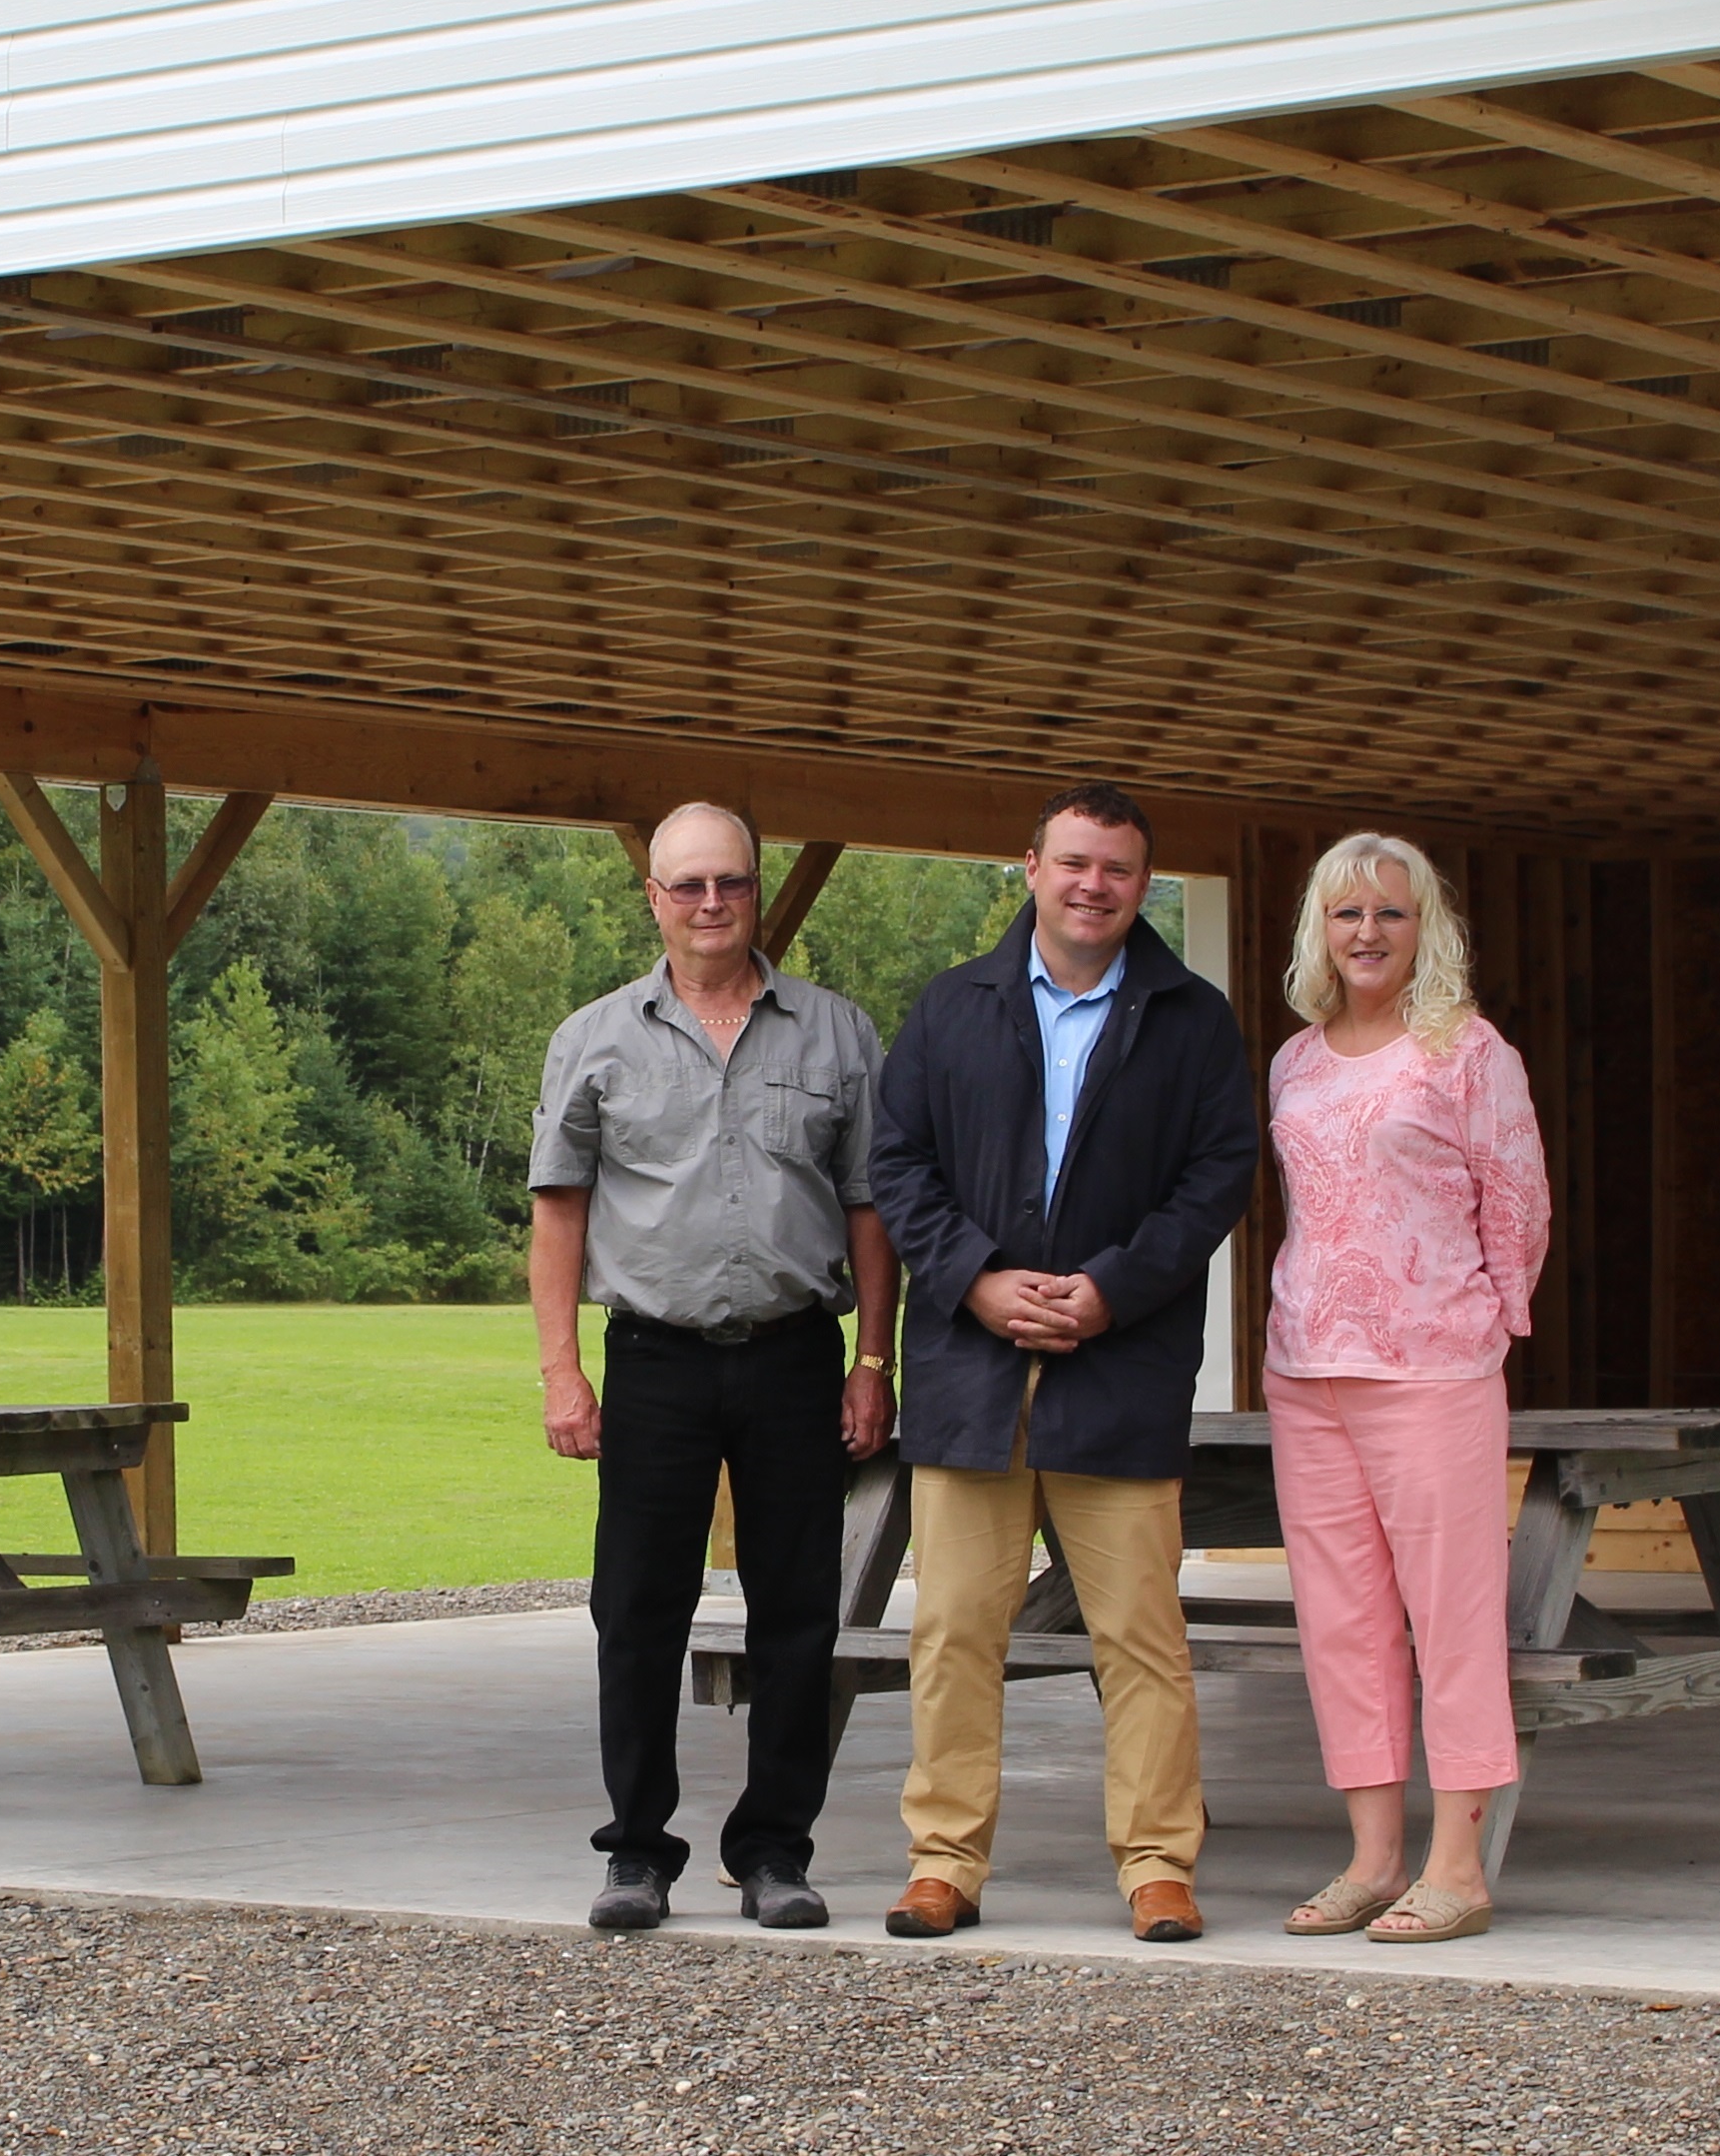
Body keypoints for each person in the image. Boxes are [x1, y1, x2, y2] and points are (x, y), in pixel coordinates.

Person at [866, 781, 1258, 1944]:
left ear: (1142, 883)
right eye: (1074, 861)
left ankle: (1158, 1864)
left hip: (1119, 1365)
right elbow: (897, 1164)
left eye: (1118, 868)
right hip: (968, 1367)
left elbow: (1217, 1177)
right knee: (953, 1630)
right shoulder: (951, 1006)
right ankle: (943, 1860)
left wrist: (1112, 1290)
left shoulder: (1191, 1017)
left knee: (1139, 1633)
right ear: (1030, 865)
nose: (1094, 885)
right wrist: (977, 1278)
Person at [530, 800, 899, 1935]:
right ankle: (637, 1852)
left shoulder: (837, 1034)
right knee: (637, 1611)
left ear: (758, 889)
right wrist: (560, 1371)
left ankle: (775, 1851)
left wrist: (874, 1359)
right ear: (653, 896)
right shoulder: (595, 1036)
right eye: (686, 884)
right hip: (654, 1361)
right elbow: (558, 1210)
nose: (709, 903)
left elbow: (871, 1207)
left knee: (799, 1614)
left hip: (797, 1356)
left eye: (729, 882)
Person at [1260, 830, 1551, 1946]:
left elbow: (1517, 1204)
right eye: (1347, 913)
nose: (1368, 931)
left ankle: (1458, 1867)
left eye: (1391, 911)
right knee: (1342, 1623)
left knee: (1452, 1618)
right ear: (1319, 930)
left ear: (1427, 927)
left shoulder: (1468, 1052)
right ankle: (1374, 1858)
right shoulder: (1295, 1061)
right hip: (1307, 1368)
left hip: (1432, 1368)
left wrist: (1489, 1320)